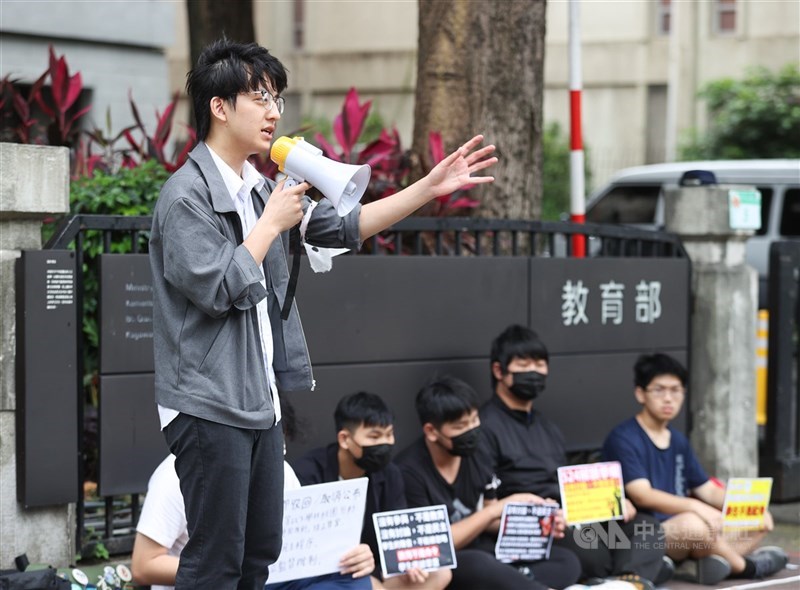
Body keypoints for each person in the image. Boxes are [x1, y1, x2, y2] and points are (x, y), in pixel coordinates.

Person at [148, 37, 497, 589]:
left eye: (277, 98)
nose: (273, 111)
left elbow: (346, 226)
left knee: (260, 550)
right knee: (215, 561)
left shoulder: (262, 190)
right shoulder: (186, 196)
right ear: (219, 107)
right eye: (259, 96)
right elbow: (217, 289)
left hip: (258, 403)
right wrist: (269, 226)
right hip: (208, 404)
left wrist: (428, 188)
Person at [479, 325, 669, 590]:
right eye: (524, 364)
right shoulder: (485, 427)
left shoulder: (548, 427)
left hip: (574, 516)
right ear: (499, 371)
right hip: (537, 526)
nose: (534, 372)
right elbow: (487, 505)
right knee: (591, 551)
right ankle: (627, 577)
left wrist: (611, 503)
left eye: (540, 364)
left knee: (644, 528)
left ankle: (627, 581)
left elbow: (570, 486)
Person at [131, 403, 374, 590]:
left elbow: (299, 545)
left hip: (268, 578)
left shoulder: (280, 470)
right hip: (209, 582)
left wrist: (349, 557)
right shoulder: (175, 475)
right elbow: (144, 565)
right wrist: (228, 569)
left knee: (356, 581)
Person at [602, 353, 788, 585]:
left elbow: (708, 490)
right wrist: (697, 507)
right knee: (695, 525)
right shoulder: (624, 437)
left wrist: (750, 508)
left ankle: (692, 565)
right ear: (641, 393)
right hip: (646, 536)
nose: (668, 398)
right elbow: (642, 494)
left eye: (676, 390)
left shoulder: (678, 440)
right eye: (659, 390)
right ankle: (745, 566)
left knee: (756, 520)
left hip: (690, 532)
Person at [396, 375, 582, 590]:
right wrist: (494, 511)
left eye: (475, 420)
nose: (471, 431)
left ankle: (513, 582)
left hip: (484, 549)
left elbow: (491, 519)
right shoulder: (408, 472)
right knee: (479, 565)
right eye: (460, 426)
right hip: (448, 563)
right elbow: (434, 546)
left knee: (567, 561)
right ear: (431, 431)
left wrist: (538, 522)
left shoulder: (477, 455)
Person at [291, 392, 452, 590]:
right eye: (374, 436)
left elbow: (397, 532)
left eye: (389, 434)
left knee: (439, 574)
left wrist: (408, 561)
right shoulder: (308, 474)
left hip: (376, 566)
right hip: (332, 573)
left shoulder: (390, 473)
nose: (384, 443)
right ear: (344, 439)